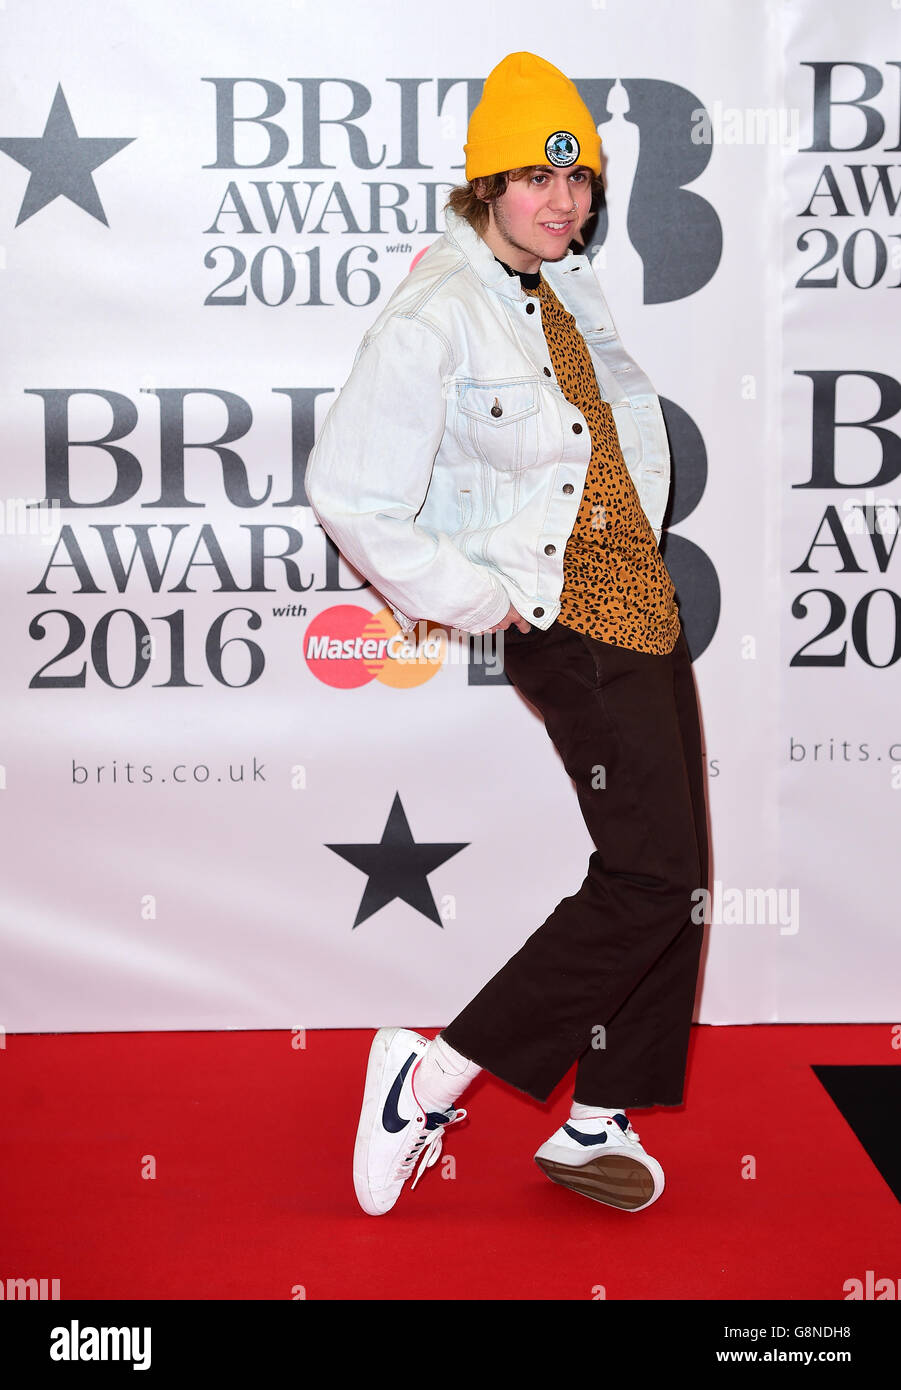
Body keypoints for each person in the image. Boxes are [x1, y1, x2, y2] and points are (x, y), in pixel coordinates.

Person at [305, 51, 709, 1217]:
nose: (565, 202)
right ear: (487, 184)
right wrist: (482, 598)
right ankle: (427, 1079)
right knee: (647, 876)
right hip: (568, 619)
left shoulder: (564, 282)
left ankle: (595, 1119)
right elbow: (349, 494)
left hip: (641, 602)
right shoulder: (438, 311)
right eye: (537, 177)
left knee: (671, 877)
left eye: (578, 180)